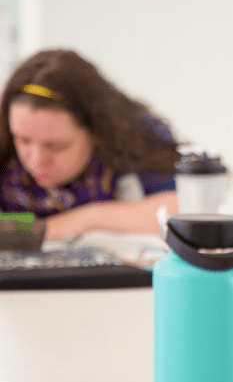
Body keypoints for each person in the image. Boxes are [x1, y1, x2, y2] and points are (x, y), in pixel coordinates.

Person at [0, 48, 180, 239]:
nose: (36, 161)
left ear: (96, 133)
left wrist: (88, 218)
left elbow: (179, 213)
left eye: (56, 146)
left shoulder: (138, 136)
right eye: (23, 140)